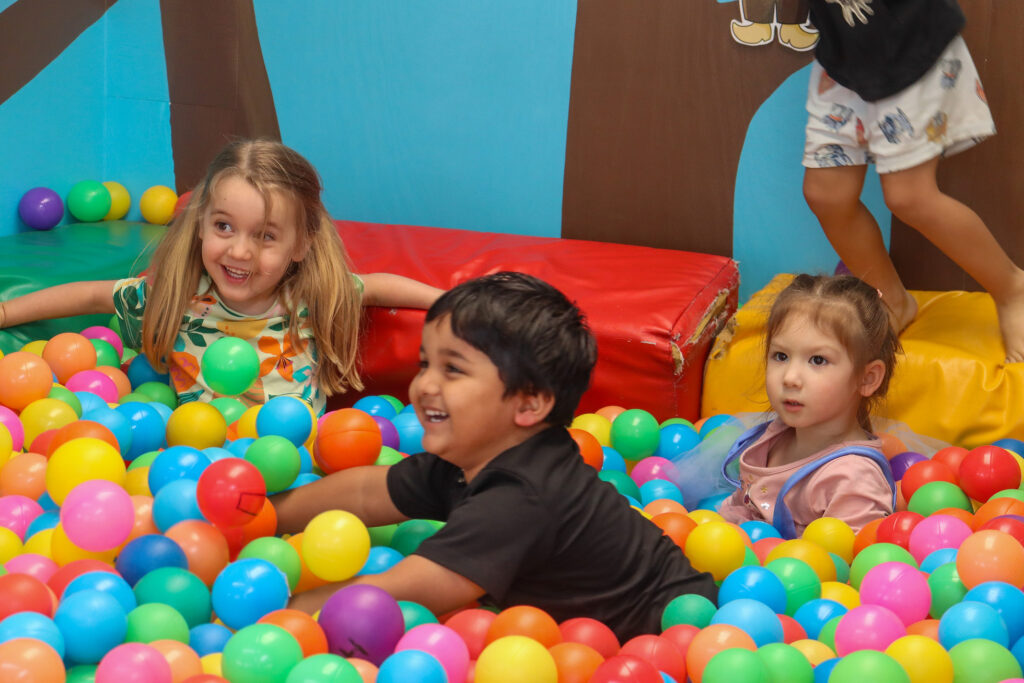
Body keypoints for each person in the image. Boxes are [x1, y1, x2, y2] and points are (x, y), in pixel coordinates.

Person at [273, 271, 717, 640]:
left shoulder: (521, 496)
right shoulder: (472, 452)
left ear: (528, 404)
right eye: (425, 364)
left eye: (454, 370)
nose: (425, 385)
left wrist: (283, 614)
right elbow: (369, 491)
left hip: (665, 633)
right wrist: (270, 515)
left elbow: (404, 590)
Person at [0, 139, 443, 413]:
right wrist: (6, 310)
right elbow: (89, 297)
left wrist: (449, 298)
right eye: (223, 226)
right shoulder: (180, 296)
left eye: (266, 236)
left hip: (294, 461)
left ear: (301, 245)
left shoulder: (308, 294)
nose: (239, 250)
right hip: (196, 459)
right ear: (200, 223)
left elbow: (378, 286)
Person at [801, 0, 1024, 362]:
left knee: (910, 196)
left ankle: (1012, 288)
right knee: (826, 195)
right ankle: (892, 300)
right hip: (845, 61)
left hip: (909, 49)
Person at [718, 274, 898, 536]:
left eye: (817, 360)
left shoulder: (853, 479)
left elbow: (842, 566)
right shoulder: (773, 437)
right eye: (781, 356)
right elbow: (740, 507)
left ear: (866, 378)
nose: (790, 378)